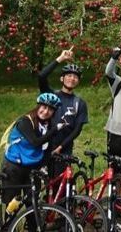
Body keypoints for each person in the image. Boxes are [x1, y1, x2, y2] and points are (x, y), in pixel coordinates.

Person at [1, 93, 64, 210]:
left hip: (32, 167)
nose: (46, 112)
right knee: (12, 204)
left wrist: (43, 166)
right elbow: (35, 142)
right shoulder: (25, 121)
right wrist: (55, 130)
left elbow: (47, 149)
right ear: (38, 107)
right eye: (44, 107)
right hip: (14, 165)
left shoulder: (47, 126)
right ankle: (7, 227)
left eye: (50, 110)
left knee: (33, 204)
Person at [38, 48, 88, 179]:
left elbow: (76, 130)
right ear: (62, 78)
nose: (72, 79)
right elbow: (41, 76)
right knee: (39, 186)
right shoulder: (51, 96)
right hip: (43, 146)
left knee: (60, 187)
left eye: (75, 77)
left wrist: (60, 148)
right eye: (69, 75)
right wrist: (60, 59)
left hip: (64, 150)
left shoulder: (80, 103)